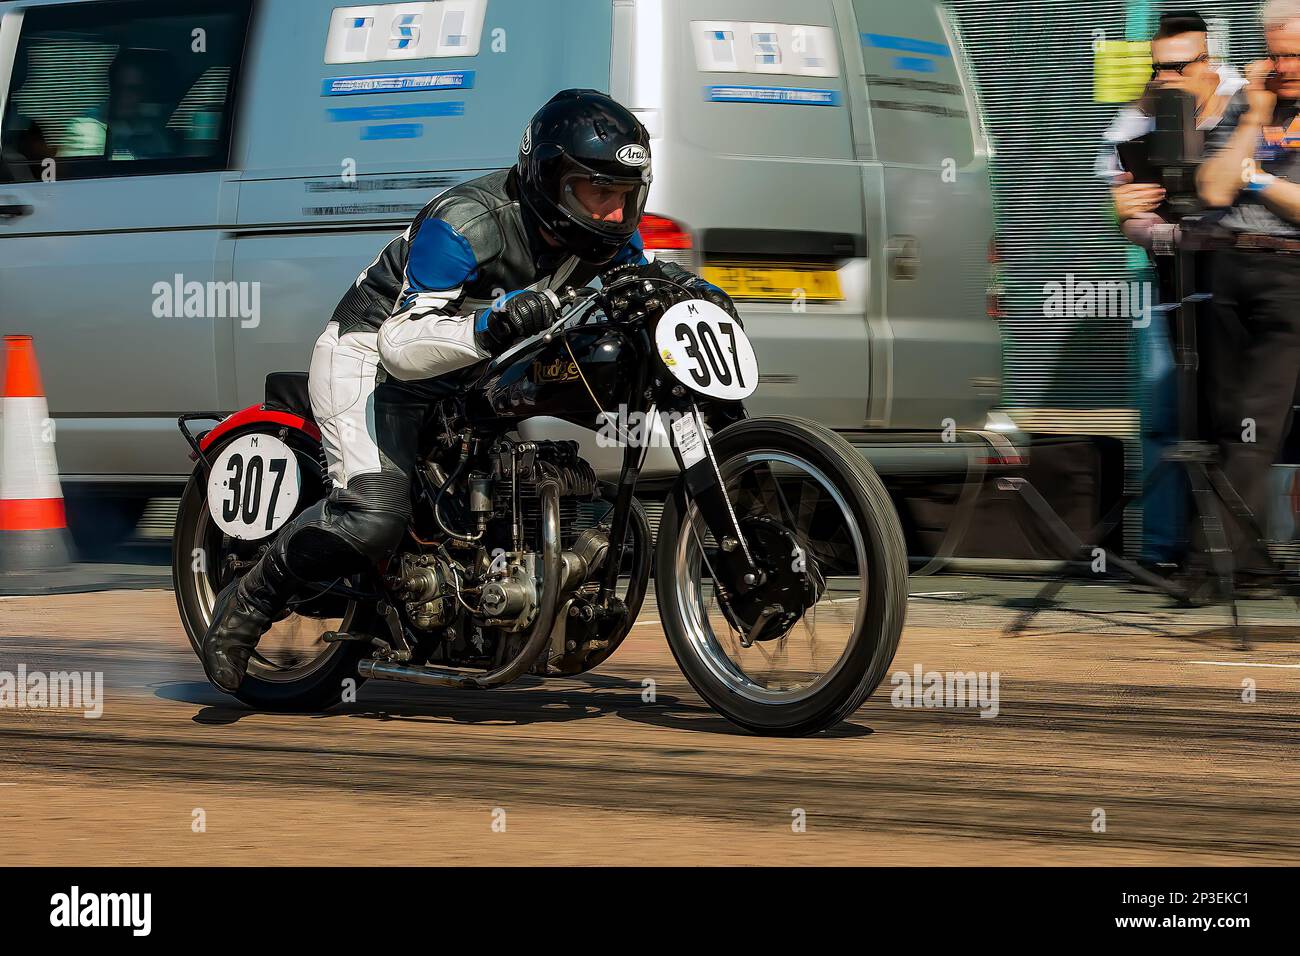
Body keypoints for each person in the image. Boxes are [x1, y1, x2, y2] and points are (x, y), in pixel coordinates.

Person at [200, 89, 738, 692]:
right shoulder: (465, 220)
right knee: (374, 517)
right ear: (549, 179)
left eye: (626, 196)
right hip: (370, 356)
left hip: (477, 367)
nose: (615, 214)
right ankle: (250, 599)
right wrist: (493, 321)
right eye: (598, 192)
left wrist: (691, 293)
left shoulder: (608, 240)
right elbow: (401, 343)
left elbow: (635, 284)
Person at [1097, 11, 1247, 569]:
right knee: (1162, 414)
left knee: (1230, 417)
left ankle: (1226, 552)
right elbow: (1121, 198)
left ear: (1209, 63)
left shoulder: (1243, 104)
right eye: (1156, 67)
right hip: (1167, 279)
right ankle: (1161, 552)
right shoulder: (1137, 117)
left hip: (1234, 282)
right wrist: (1126, 213)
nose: (1163, 79)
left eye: (1178, 67)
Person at [1196, 0, 1300, 584]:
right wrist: (1253, 115)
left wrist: (1256, 179)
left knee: (1257, 425)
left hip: (1290, 277)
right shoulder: (1250, 103)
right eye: (1275, 52)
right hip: (1230, 271)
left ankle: (1215, 566)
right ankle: (1249, 562)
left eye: (1294, 55)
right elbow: (1212, 188)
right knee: (1226, 421)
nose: (1282, 65)